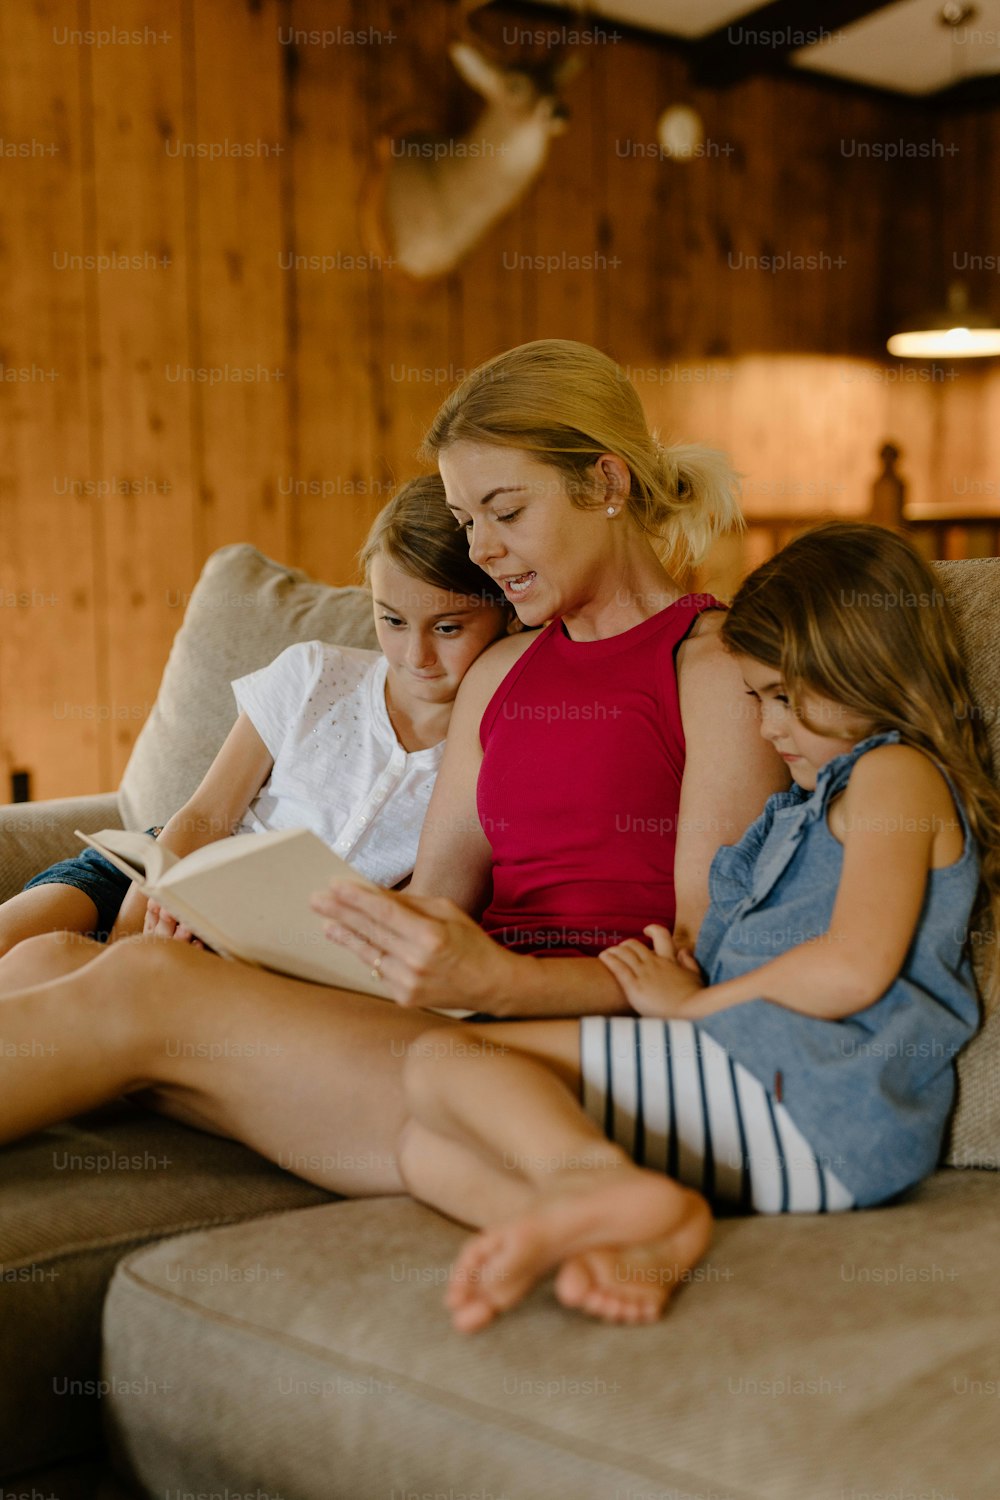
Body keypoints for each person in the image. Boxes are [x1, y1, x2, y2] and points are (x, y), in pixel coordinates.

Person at [0, 340, 783, 1209]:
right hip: (446, 1018)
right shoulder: (500, 673)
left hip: (562, 1037)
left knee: (142, 984)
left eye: (505, 511)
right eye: (466, 518)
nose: (482, 548)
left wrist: (495, 980)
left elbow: (704, 952)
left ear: (604, 483)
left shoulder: (712, 670)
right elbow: (439, 902)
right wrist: (274, 932)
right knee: (47, 960)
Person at [390, 522, 999, 1331]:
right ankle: (629, 1231)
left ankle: (603, 1190)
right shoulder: (808, 802)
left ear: (869, 668)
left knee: (444, 1057)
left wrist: (689, 1008)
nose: (769, 727)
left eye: (785, 697)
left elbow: (854, 967)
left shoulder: (895, 774)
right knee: (422, 1147)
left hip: (821, 1107)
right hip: (759, 1091)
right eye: (756, 700)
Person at [0, 476, 512, 959]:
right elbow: (202, 818)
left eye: (447, 629)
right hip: (159, 874)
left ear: (506, 612)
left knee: (54, 985)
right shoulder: (314, 672)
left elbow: (421, 905)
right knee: (24, 949)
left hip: (265, 944)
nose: (415, 654)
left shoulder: (493, 748)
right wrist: (127, 942)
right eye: (392, 620)